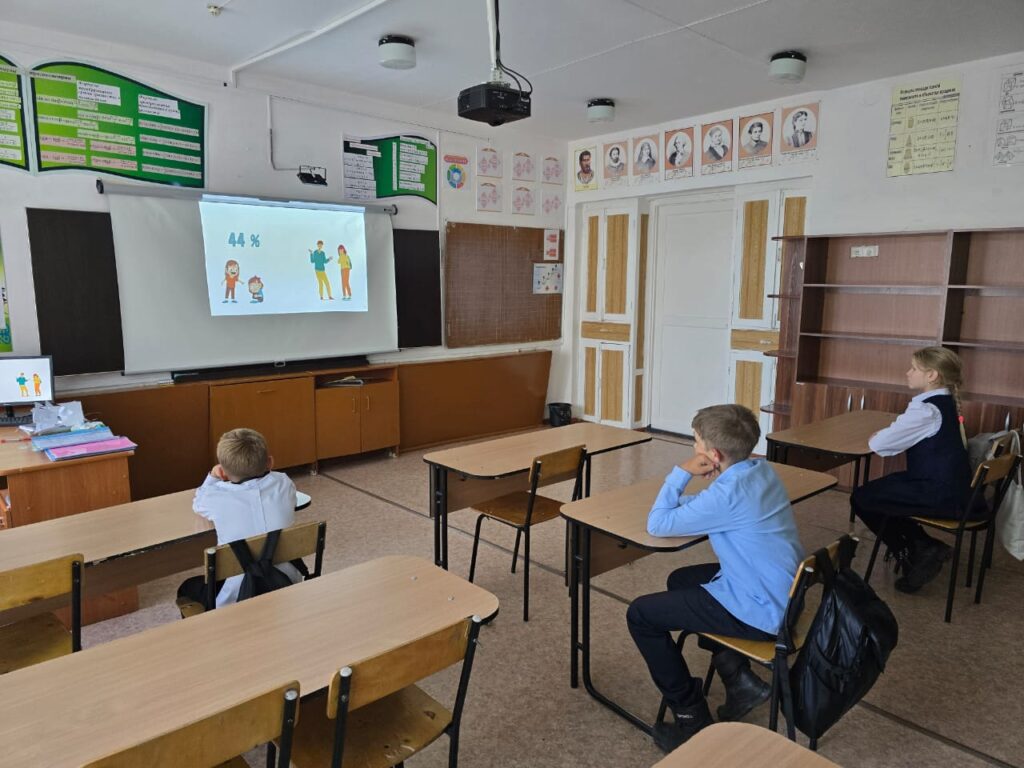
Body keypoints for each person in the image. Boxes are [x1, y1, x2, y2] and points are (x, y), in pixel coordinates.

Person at [627, 404, 804, 753]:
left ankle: (691, 718)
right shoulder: (760, 471)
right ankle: (738, 679)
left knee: (641, 615)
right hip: (784, 592)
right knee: (681, 579)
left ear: (714, 454)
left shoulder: (728, 495)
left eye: (696, 442)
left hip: (762, 611)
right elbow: (712, 504)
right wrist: (694, 498)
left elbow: (657, 524)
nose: (693, 449)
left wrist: (681, 473)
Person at [851, 347, 971, 593]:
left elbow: (879, 444)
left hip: (939, 492)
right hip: (953, 486)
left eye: (914, 368)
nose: (908, 372)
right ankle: (921, 545)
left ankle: (912, 550)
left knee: (862, 498)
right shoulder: (945, 401)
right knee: (883, 490)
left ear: (932, 375)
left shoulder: (926, 410)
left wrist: (879, 436)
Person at [178, 428, 301, 608]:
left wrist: (213, 477)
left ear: (224, 472)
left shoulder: (215, 497)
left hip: (236, 595)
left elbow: (198, 503)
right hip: (287, 580)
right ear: (270, 462)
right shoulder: (284, 482)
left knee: (186, 587)